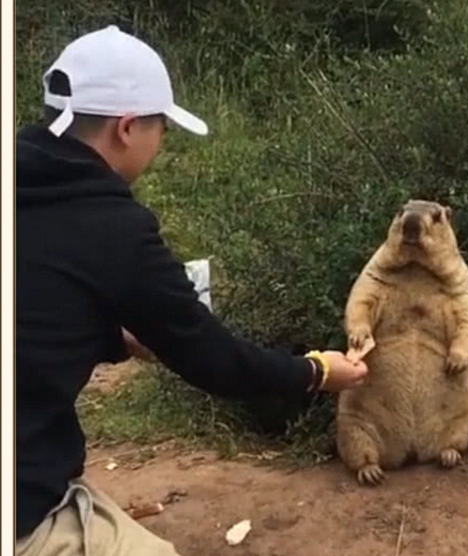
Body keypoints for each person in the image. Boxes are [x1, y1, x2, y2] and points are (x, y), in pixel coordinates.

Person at [16, 25, 368, 555]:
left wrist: (113, 339)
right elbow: (214, 361)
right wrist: (317, 372)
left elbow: (33, 307)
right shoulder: (113, 226)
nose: (160, 144)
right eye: (162, 129)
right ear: (128, 128)